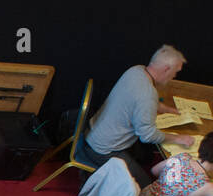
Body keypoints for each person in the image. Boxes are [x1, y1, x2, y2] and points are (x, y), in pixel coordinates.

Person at [77, 45, 197, 187]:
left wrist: (162, 107)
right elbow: (147, 136)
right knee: (145, 186)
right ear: (166, 69)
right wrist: (178, 138)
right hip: (102, 150)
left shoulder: (136, 70)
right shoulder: (148, 95)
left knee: (144, 157)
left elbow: (134, 98)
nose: (174, 76)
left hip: (92, 133)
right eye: (175, 72)